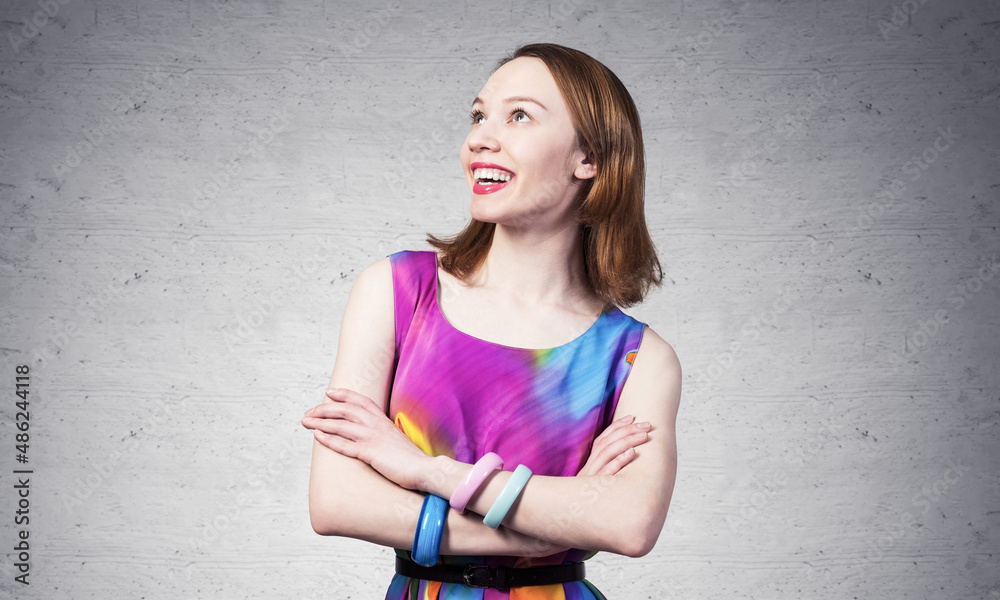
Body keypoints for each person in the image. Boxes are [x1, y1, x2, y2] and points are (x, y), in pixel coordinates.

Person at [301, 42, 681, 599]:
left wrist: (424, 472)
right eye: (479, 115)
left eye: (519, 116)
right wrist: (541, 531)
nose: (480, 137)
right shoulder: (398, 290)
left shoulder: (640, 358)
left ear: (590, 158)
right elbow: (335, 502)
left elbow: (629, 524)